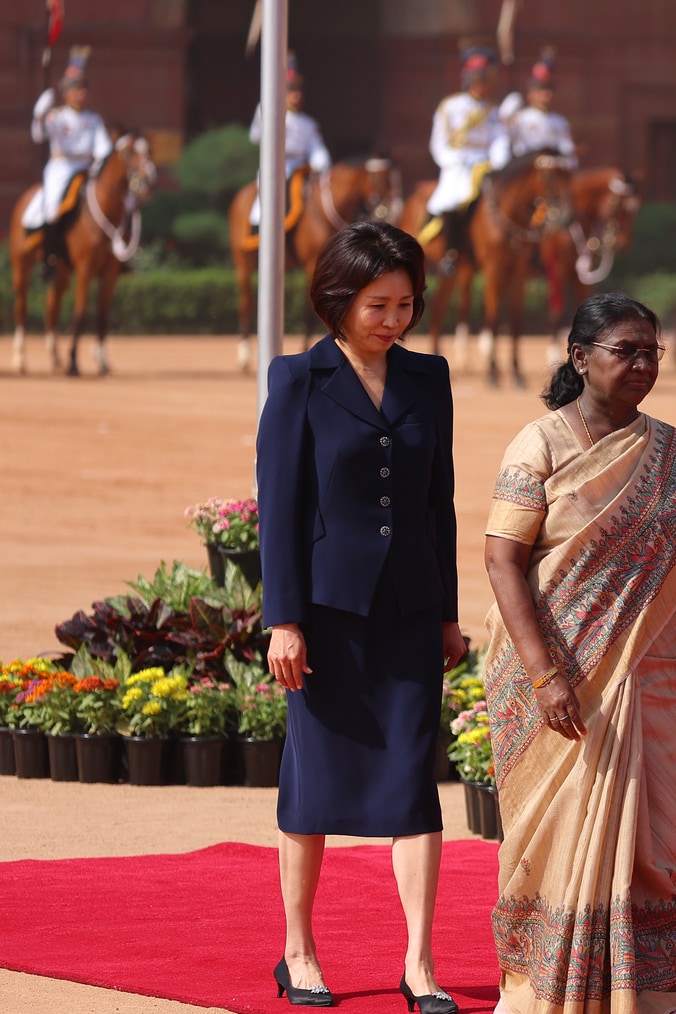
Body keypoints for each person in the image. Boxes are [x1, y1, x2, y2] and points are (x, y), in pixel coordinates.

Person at [481, 292, 676, 1014]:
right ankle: (543, 994)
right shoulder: (538, 444)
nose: (642, 365)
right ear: (580, 358)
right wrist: (544, 675)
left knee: (656, 844)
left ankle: (647, 998)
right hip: (558, 677)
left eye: (651, 352)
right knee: (556, 837)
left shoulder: (675, 459)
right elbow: (503, 559)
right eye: (624, 350)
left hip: (652, 672)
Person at [257, 221, 466, 1014]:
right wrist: (284, 620)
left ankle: (420, 964)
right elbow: (279, 509)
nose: (394, 320)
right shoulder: (297, 380)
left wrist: (447, 613)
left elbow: (436, 505)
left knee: (415, 784)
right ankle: (299, 951)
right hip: (324, 620)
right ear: (338, 301)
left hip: (410, 616)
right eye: (378, 305)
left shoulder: (430, 378)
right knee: (313, 788)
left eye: (406, 304)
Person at [22, 46, 112, 278]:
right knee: (52, 209)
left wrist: (101, 160)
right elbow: (38, 135)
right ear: (67, 93)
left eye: (84, 89)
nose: (82, 93)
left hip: (86, 168)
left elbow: (103, 147)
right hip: (61, 167)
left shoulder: (93, 119)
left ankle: (115, 256)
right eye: (77, 89)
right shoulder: (57, 116)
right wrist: (39, 114)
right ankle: (49, 258)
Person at [422, 44, 512, 269]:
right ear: (469, 79)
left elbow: (500, 139)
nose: (482, 84)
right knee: (454, 197)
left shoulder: (494, 110)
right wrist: (452, 160)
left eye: (486, 78)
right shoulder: (450, 106)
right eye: (477, 78)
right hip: (458, 164)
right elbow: (439, 142)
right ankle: (451, 253)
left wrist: (497, 160)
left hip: (486, 164)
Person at [247, 55, 332, 228]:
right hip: (279, 166)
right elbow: (255, 136)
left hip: (301, 168)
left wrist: (321, 163)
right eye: (291, 90)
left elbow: (316, 148)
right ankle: (261, 229)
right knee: (270, 196)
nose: (296, 94)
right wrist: (266, 108)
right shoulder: (270, 112)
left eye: (298, 90)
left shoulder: (308, 123)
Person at [501, 54, 578, 168]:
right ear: (530, 94)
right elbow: (505, 141)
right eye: (541, 89)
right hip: (527, 170)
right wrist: (506, 117)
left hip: (552, 171)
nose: (546, 95)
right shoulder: (520, 118)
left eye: (549, 89)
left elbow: (569, 154)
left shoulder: (560, 122)